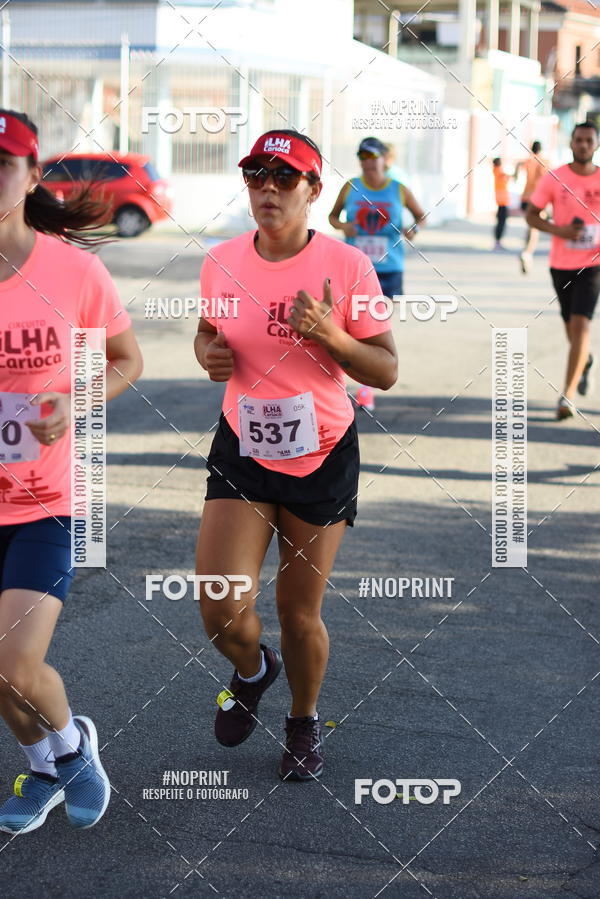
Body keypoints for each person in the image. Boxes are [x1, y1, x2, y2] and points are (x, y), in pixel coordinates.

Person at [194, 129, 397, 781]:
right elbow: (208, 332)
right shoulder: (221, 260)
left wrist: (334, 334)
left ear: (314, 189)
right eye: (256, 174)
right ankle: (254, 671)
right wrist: (207, 354)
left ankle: (303, 720)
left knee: (296, 611)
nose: (268, 188)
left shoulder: (347, 266)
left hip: (323, 451)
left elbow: (386, 368)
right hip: (244, 446)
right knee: (221, 606)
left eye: (285, 178)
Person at [0, 110, 143, 834]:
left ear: (30, 176)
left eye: (3, 163)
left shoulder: (74, 270)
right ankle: (51, 763)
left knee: (15, 662)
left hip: (43, 501)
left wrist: (73, 401)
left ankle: (76, 745)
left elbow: (126, 361)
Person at [328, 136, 424, 409]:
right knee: (345, 327)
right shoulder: (351, 187)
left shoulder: (399, 189)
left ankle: (366, 389)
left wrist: (412, 231)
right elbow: (332, 217)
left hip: (388, 268)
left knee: (372, 332)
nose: (367, 163)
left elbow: (420, 215)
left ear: (385, 159)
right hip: (353, 267)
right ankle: (340, 383)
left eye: (372, 157)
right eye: (362, 158)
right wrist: (343, 227)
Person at [526, 121, 600, 419]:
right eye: (578, 140)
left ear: (595, 145)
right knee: (572, 329)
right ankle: (585, 360)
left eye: (589, 140)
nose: (583, 145)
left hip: (594, 264)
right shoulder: (555, 178)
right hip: (561, 266)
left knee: (581, 325)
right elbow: (532, 215)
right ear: (571, 143)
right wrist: (558, 229)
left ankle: (566, 396)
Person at [514, 141, 549, 273]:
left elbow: (518, 165)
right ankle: (527, 254)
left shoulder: (528, 161)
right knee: (535, 229)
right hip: (538, 199)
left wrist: (516, 176)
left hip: (525, 198)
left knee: (531, 226)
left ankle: (526, 252)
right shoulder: (544, 162)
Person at [492, 158, 510, 250]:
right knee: (501, 223)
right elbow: (506, 176)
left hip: (502, 202)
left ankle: (498, 242)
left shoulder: (497, 171)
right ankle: (497, 242)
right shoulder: (498, 171)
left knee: (501, 222)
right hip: (502, 202)